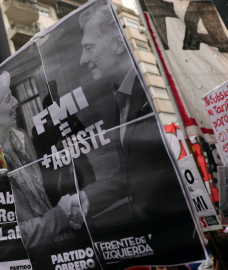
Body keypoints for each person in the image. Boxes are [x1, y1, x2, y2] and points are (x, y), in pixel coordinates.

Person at [69, 1, 204, 264]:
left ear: (119, 43)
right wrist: (87, 196)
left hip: (196, 242)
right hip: (169, 247)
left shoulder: (161, 86)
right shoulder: (120, 97)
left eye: (88, 47)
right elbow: (134, 173)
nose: (82, 59)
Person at [0, 71, 77, 248]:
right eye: (7, 100)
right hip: (37, 253)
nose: (16, 102)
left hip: (63, 239)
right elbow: (15, 232)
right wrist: (61, 215)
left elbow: (43, 189)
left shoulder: (23, 138)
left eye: (12, 96)